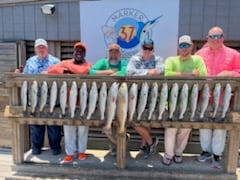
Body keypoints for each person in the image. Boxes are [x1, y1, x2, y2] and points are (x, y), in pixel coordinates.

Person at [195, 26, 240, 169]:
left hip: (224, 99)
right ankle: (205, 151)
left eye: (218, 36)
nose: (215, 39)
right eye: (212, 37)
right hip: (204, 97)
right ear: (207, 38)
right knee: (204, 125)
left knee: (220, 127)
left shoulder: (234, 54)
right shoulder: (199, 54)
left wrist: (230, 73)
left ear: (223, 37)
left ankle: (217, 154)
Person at [163, 35, 207, 165]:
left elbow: (204, 75)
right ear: (178, 47)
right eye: (182, 45)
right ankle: (168, 154)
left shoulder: (197, 59)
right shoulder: (171, 59)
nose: (184, 48)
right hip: (172, 101)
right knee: (171, 129)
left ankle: (178, 152)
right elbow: (167, 74)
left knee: (185, 128)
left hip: (190, 102)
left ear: (191, 46)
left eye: (186, 45)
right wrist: (189, 75)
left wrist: (179, 75)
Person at [48, 42, 92, 163]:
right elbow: (51, 70)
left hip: (83, 102)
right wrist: (64, 70)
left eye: (81, 51)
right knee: (69, 128)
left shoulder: (88, 65)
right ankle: (70, 153)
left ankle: (82, 151)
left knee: (83, 128)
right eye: (77, 50)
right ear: (74, 52)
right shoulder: (65, 63)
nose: (79, 53)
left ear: (84, 54)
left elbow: (83, 73)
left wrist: (71, 72)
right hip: (66, 101)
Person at [18, 38, 62, 155]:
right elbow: (24, 76)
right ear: (35, 49)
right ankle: (36, 148)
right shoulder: (30, 61)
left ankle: (55, 148)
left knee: (54, 126)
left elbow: (62, 73)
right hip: (35, 99)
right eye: (39, 47)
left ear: (47, 48)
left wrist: (49, 73)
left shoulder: (55, 61)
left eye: (43, 47)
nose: (41, 49)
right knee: (36, 125)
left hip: (52, 99)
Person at [126, 38, 164, 155]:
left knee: (147, 121)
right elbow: (129, 72)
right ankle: (151, 142)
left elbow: (161, 71)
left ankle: (144, 146)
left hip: (152, 94)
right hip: (136, 94)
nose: (147, 50)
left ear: (153, 49)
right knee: (133, 120)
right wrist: (148, 72)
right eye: (145, 48)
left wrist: (140, 72)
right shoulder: (135, 58)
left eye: (149, 48)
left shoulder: (158, 59)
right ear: (141, 48)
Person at [89, 43, 128, 156]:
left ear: (120, 53)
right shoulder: (103, 62)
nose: (113, 53)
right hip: (103, 99)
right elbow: (92, 72)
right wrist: (109, 72)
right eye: (111, 51)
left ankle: (117, 146)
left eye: (116, 51)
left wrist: (110, 76)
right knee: (106, 123)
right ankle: (116, 143)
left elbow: (125, 72)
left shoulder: (123, 63)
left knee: (119, 122)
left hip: (120, 99)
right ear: (108, 53)